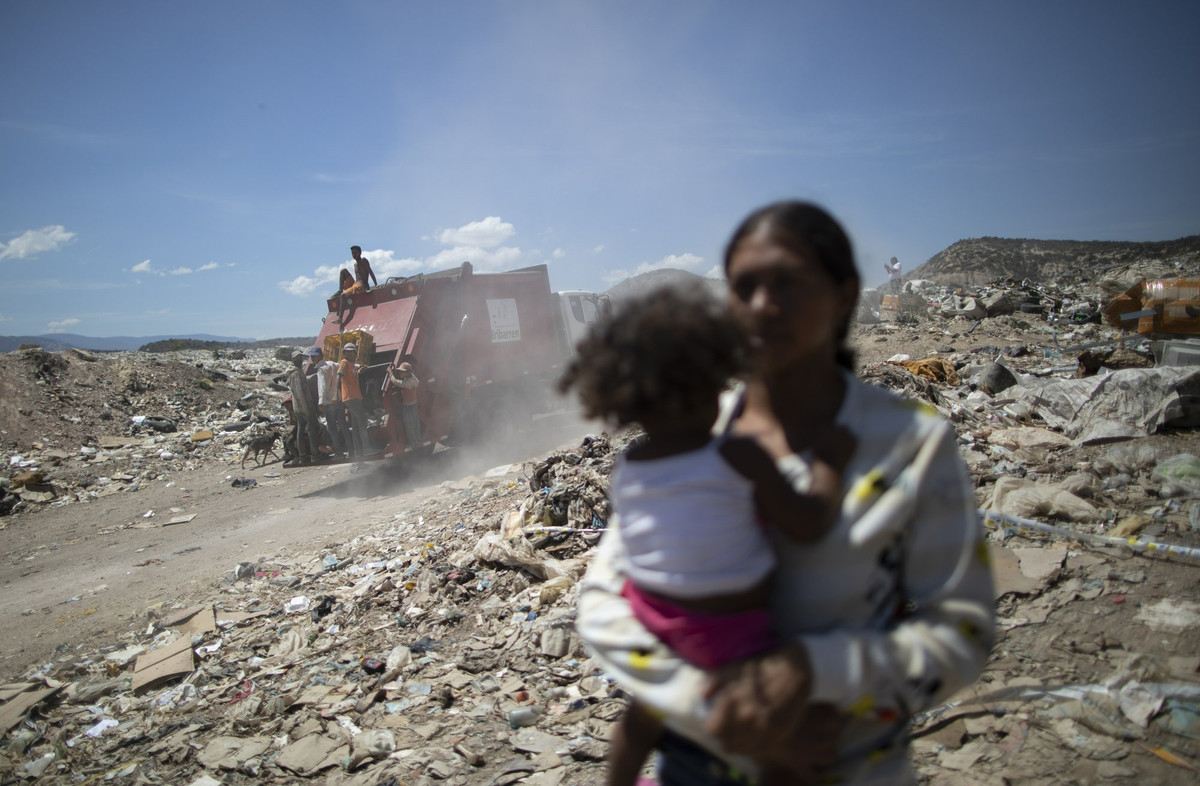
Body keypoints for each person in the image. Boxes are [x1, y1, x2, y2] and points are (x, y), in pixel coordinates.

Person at [575, 201, 995, 786]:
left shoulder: (912, 443)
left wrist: (815, 669)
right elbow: (603, 602)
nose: (763, 306)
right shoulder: (695, 435)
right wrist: (715, 705)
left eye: (789, 283)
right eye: (744, 287)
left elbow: (963, 635)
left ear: (845, 294)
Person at [558, 286, 853, 786]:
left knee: (642, 717)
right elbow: (809, 522)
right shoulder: (738, 455)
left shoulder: (628, 467)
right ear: (716, 380)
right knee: (801, 731)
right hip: (735, 634)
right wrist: (828, 465)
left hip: (654, 623)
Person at [306, 346, 348, 460]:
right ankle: (352, 449)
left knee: (332, 428)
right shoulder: (332, 364)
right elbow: (341, 368)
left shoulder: (321, 369)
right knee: (343, 425)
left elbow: (322, 387)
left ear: (320, 356)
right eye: (312, 356)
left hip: (329, 402)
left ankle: (339, 453)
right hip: (338, 399)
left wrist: (321, 402)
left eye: (314, 356)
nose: (313, 358)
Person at [285, 351, 322, 465]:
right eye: (297, 358)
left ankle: (304, 455)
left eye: (301, 357)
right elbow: (299, 393)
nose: (300, 360)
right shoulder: (296, 374)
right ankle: (313, 455)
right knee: (309, 431)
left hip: (300, 407)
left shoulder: (298, 372)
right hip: (303, 407)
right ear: (293, 360)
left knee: (301, 431)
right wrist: (306, 409)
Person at [338, 342, 371, 460]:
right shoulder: (344, 362)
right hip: (350, 397)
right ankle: (367, 448)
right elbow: (340, 374)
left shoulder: (352, 364)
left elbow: (355, 368)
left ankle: (359, 450)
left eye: (352, 352)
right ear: (344, 353)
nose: (350, 354)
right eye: (347, 352)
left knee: (356, 425)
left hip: (355, 396)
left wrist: (359, 369)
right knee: (362, 421)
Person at [386, 361, 422, 449]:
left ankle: (413, 443)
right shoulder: (412, 378)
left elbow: (395, 382)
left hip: (409, 407)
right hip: (413, 405)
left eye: (402, 371)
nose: (400, 373)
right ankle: (417, 440)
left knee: (409, 425)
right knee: (414, 424)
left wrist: (390, 373)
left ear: (408, 372)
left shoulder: (408, 383)